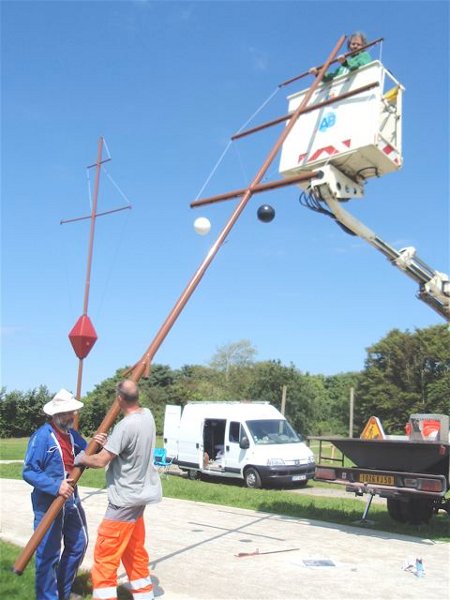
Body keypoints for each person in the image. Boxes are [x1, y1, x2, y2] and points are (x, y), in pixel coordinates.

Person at [75, 379, 162, 600]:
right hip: (139, 498)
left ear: (119, 399)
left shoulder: (125, 426)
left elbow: (101, 461)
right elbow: (126, 449)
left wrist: (83, 458)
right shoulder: (148, 416)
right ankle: (145, 595)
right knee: (134, 551)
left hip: (123, 500)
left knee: (106, 553)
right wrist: (109, 443)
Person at [23, 388, 107, 600]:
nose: (72, 416)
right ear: (55, 414)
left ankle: (62, 591)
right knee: (48, 555)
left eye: (73, 412)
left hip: (71, 498)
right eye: (68, 412)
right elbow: (29, 471)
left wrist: (98, 445)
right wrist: (54, 485)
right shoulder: (42, 436)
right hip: (48, 502)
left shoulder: (72, 435)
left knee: (79, 543)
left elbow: (87, 453)